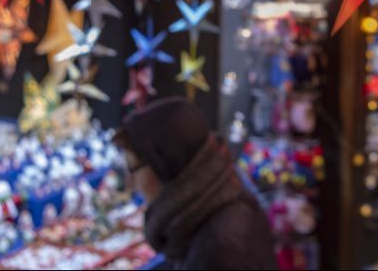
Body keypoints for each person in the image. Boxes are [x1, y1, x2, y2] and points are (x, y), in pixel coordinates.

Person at [114, 97, 277, 270]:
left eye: (133, 169)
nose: (130, 183)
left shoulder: (219, 251)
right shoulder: (208, 210)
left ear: (165, 165)